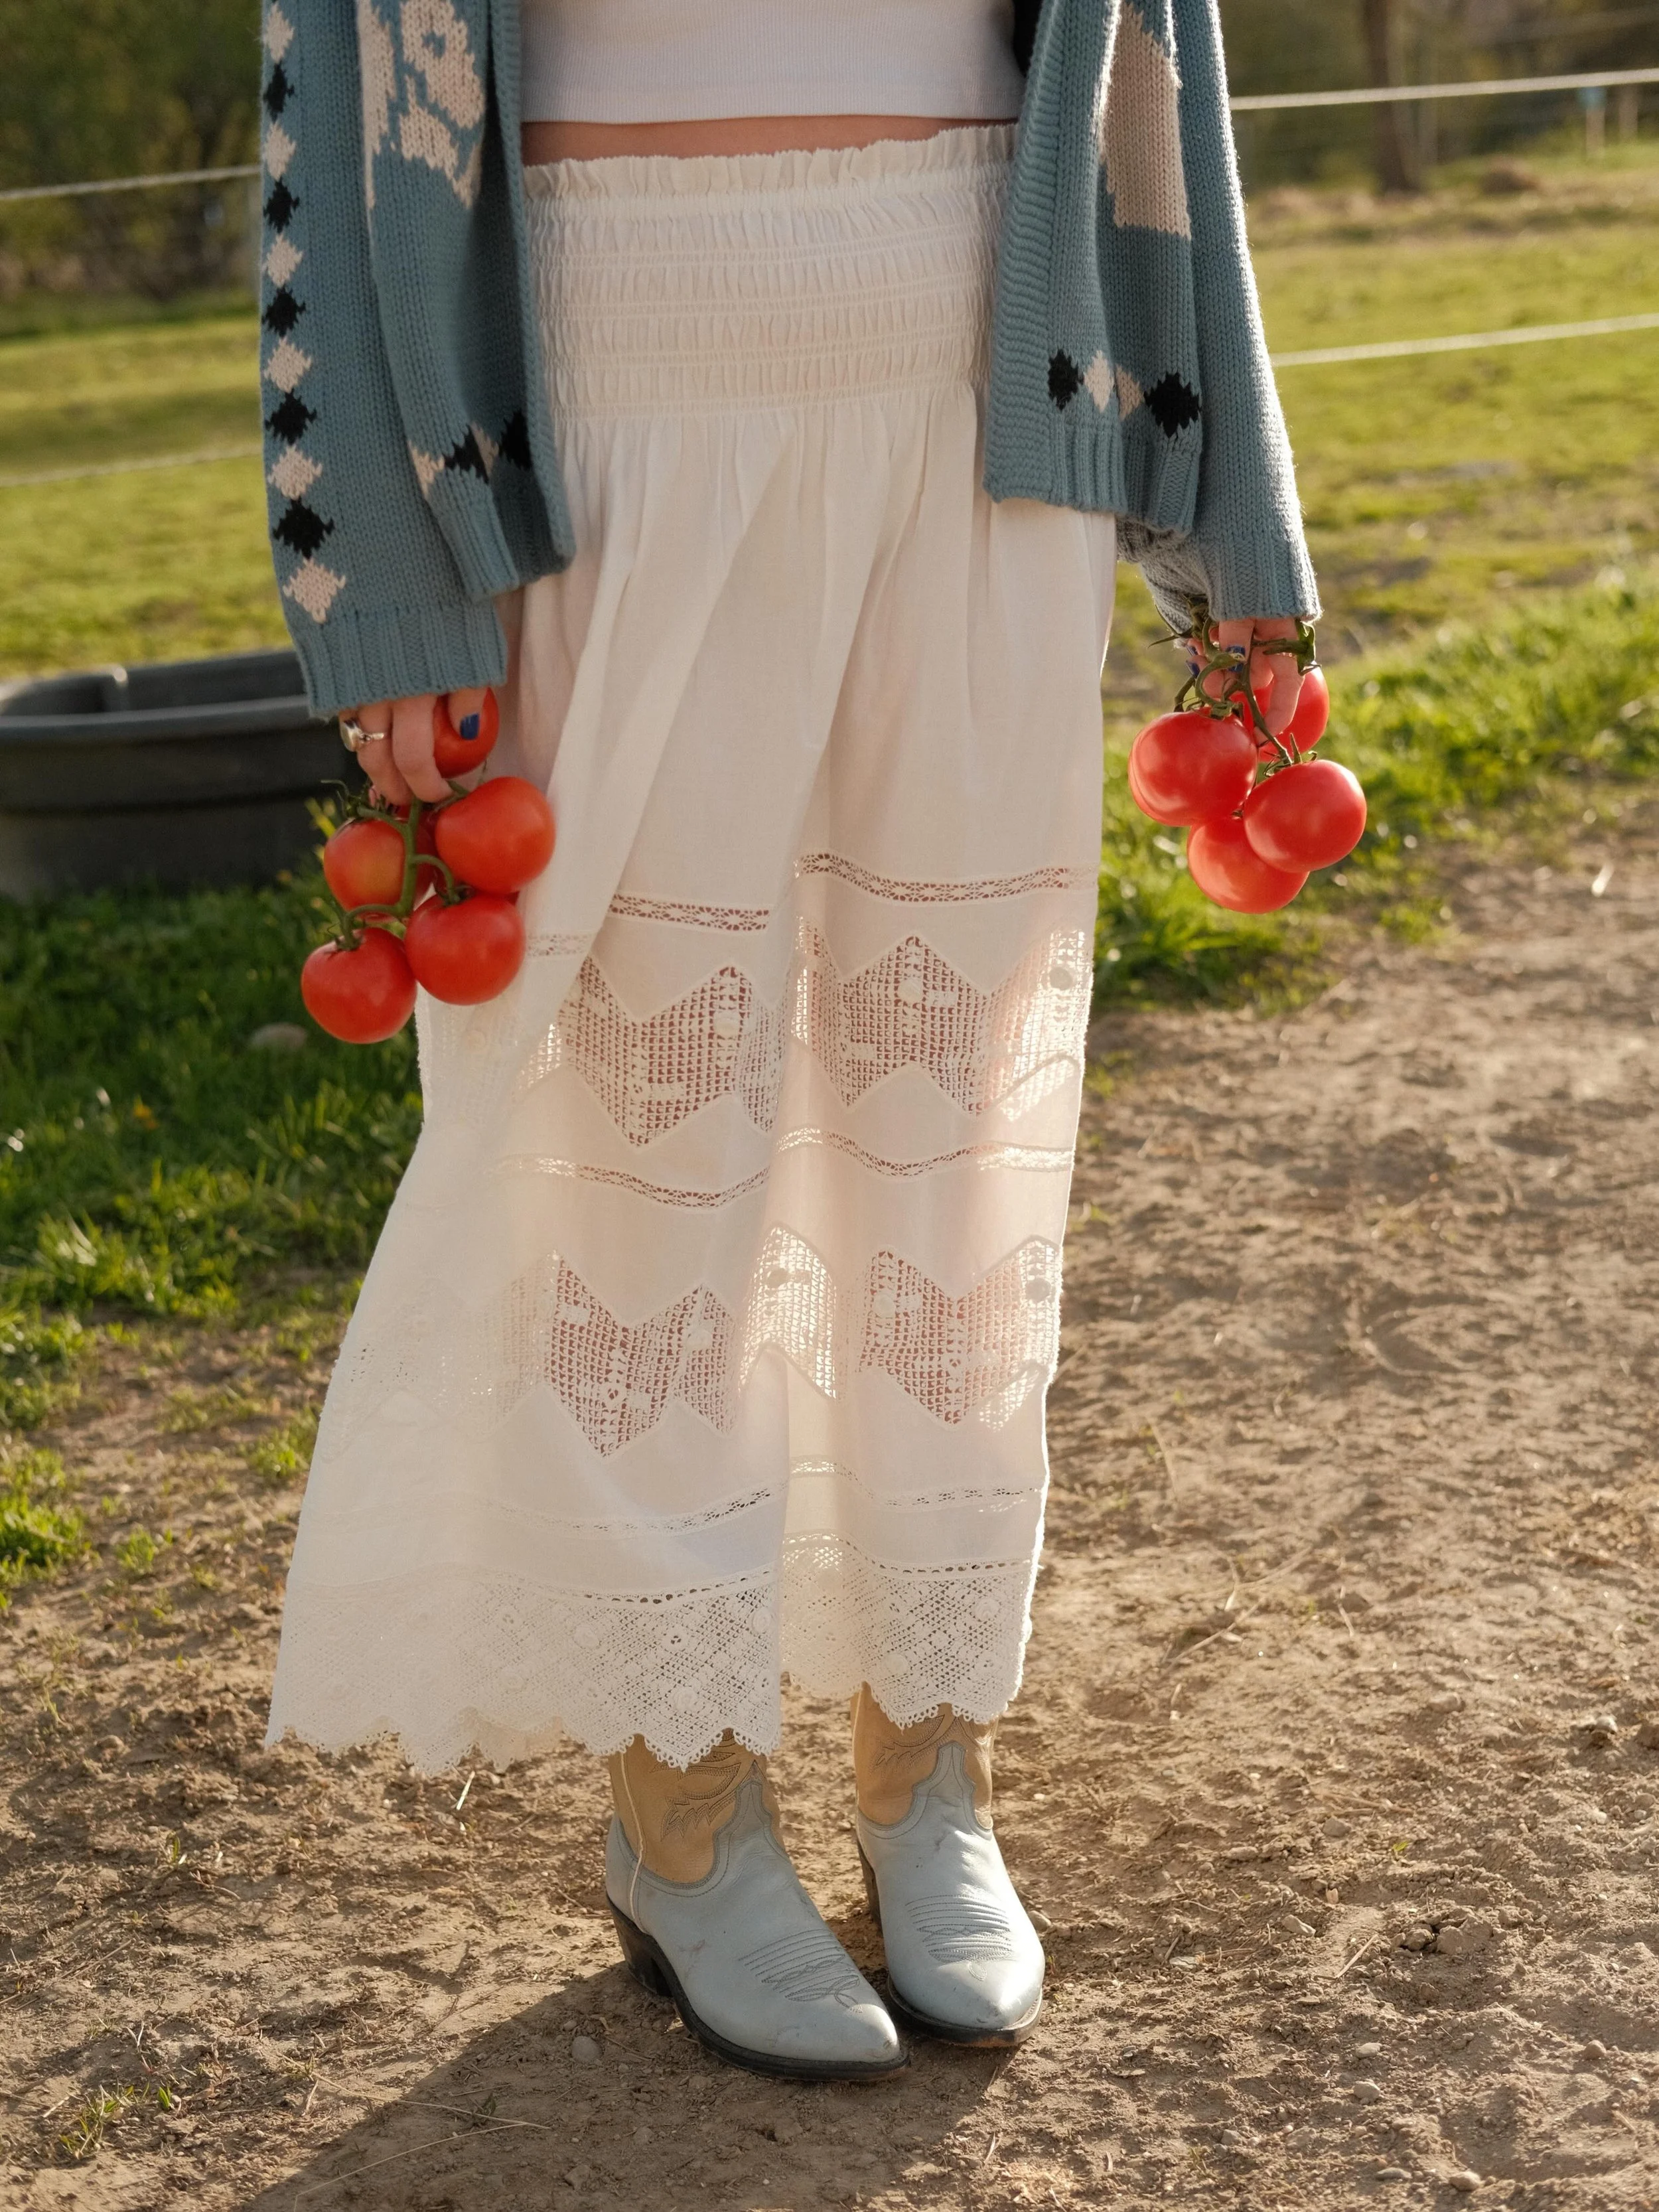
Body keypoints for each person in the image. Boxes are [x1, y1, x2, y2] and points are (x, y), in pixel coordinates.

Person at [259, 0, 1318, 2079]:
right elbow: (328, 78)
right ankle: (684, 1802)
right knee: (655, 1130)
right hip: (602, 378)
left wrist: (1237, 520)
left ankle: (928, 1759)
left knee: (950, 1120)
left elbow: (1153, 53)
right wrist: (377, 575)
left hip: (983, 375)